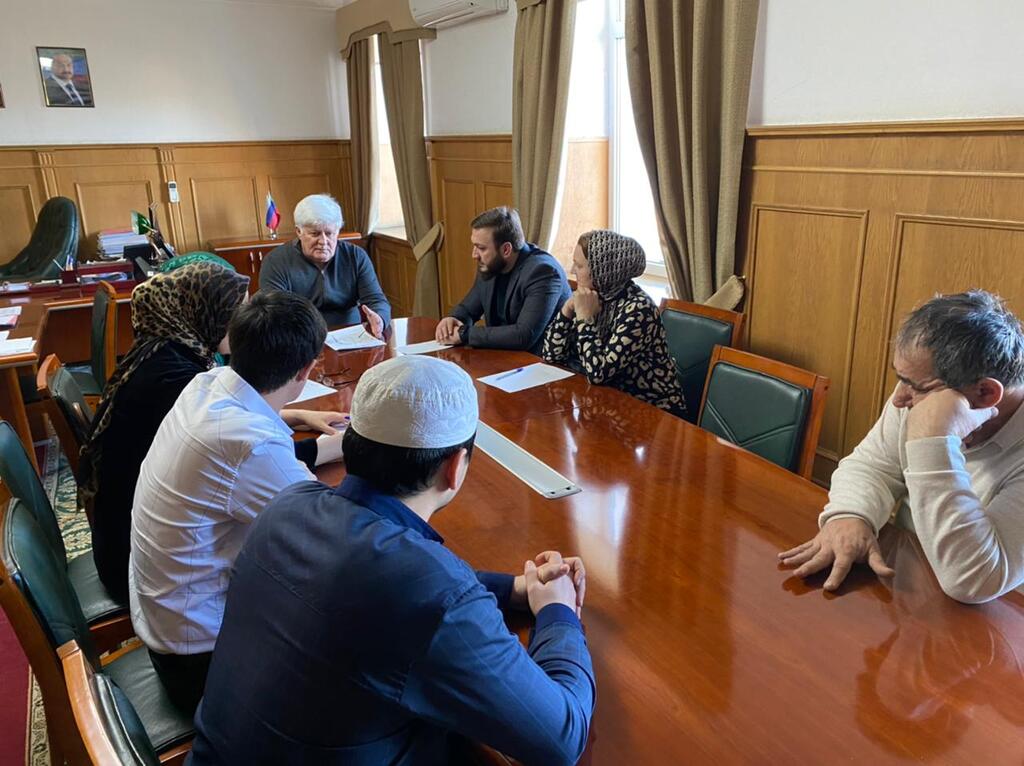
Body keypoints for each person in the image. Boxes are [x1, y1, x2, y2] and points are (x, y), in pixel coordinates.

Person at [190, 355, 595, 765]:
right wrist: (558, 610)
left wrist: (513, 589)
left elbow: (384, 583)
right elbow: (562, 738)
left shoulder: (286, 508)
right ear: (455, 468)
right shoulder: (431, 592)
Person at [129, 291, 346, 714]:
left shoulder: (203, 384)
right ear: (306, 369)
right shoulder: (251, 448)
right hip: (199, 662)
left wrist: (323, 440)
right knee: (365, 638)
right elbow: (340, 538)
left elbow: (247, 438)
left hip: (166, 617)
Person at [79, 259, 344, 603]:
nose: (244, 323)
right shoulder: (175, 381)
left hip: (149, 556)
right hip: (150, 585)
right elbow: (327, 529)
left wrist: (295, 417)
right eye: (237, 312)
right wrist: (337, 448)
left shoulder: (188, 369)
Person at [779, 290, 1024, 604]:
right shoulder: (923, 390)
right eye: (902, 379)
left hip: (999, 618)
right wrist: (852, 515)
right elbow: (871, 465)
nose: (898, 399)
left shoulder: (932, 412)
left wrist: (933, 442)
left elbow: (974, 580)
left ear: (986, 393)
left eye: (916, 387)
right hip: (911, 585)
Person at [542, 229, 687, 417]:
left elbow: (598, 373)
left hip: (653, 414)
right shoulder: (594, 296)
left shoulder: (639, 309)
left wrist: (585, 319)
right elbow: (551, 355)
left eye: (579, 266)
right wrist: (567, 311)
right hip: (609, 405)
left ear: (601, 269)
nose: (572, 271)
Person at [435, 206, 570, 354]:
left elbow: (523, 336)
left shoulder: (543, 272)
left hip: (542, 365)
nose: (474, 255)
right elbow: (468, 309)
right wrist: (452, 320)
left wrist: (465, 334)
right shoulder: (491, 263)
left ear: (506, 249)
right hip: (504, 359)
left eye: (481, 248)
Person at [259, 193, 390, 334]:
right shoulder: (276, 261)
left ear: (338, 231)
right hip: (299, 336)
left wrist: (380, 318)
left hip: (350, 334)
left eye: (329, 233)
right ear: (298, 231)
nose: (323, 241)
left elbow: (376, 299)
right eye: (315, 234)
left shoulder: (355, 256)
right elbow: (276, 314)